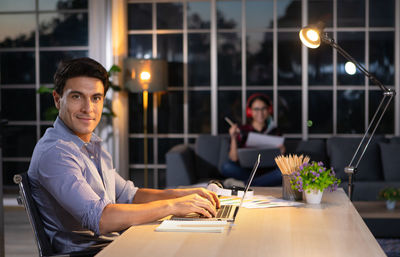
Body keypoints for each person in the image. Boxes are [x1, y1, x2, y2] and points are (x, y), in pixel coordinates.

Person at [28, 57, 220, 253]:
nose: (88, 108)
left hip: (116, 244)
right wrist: (172, 206)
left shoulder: (91, 145)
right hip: (93, 253)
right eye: (77, 97)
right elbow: (101, 219)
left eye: (96, 98)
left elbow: (128, 195)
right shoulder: (55, 153)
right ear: (58, 99)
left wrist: (185, 194)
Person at [221, 93, 284, 186]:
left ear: (269, 110)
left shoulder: (275, 131)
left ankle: (244, 184)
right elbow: (233, 158)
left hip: (268, 171)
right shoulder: (241, 130)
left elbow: (279, 160)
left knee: (282, 173)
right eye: (256, 109)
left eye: (264, 108)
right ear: (250, 111)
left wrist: (281, 152)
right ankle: (262, 182)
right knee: (226, 167)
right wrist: (233, 137)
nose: (260, 113)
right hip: (246, 171)